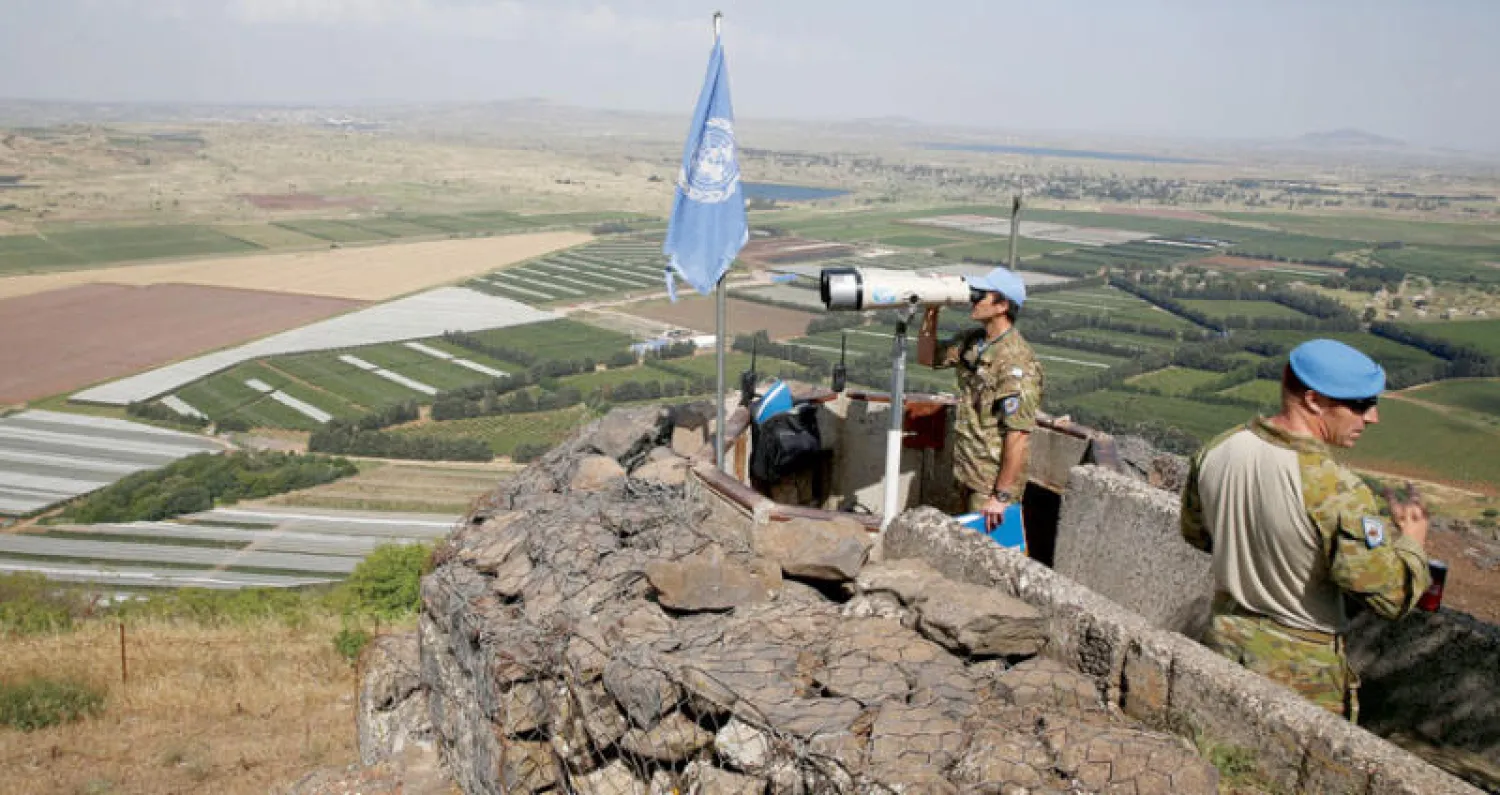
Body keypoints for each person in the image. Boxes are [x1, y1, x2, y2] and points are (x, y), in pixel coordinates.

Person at [1180, 338, 1431, 721]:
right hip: (1302, 677)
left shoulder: (1220, 448)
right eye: (1361, 404)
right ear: (1314, 401)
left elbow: (1197, 533)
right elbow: (1391, 598)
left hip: (1224, 643)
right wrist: (1412, 542)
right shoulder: (1336, 489)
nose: (1373, 417)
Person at [916, 266, 1042, 533]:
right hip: (965, 470)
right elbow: (927, 357)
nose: (973, 300)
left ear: (1002, 305)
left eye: (981, 295)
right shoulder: (974, 341)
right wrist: (931, 310)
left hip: (989, 483)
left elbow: (1018, 434)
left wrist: (1001, 496)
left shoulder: (1016, 362)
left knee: (989, 558)